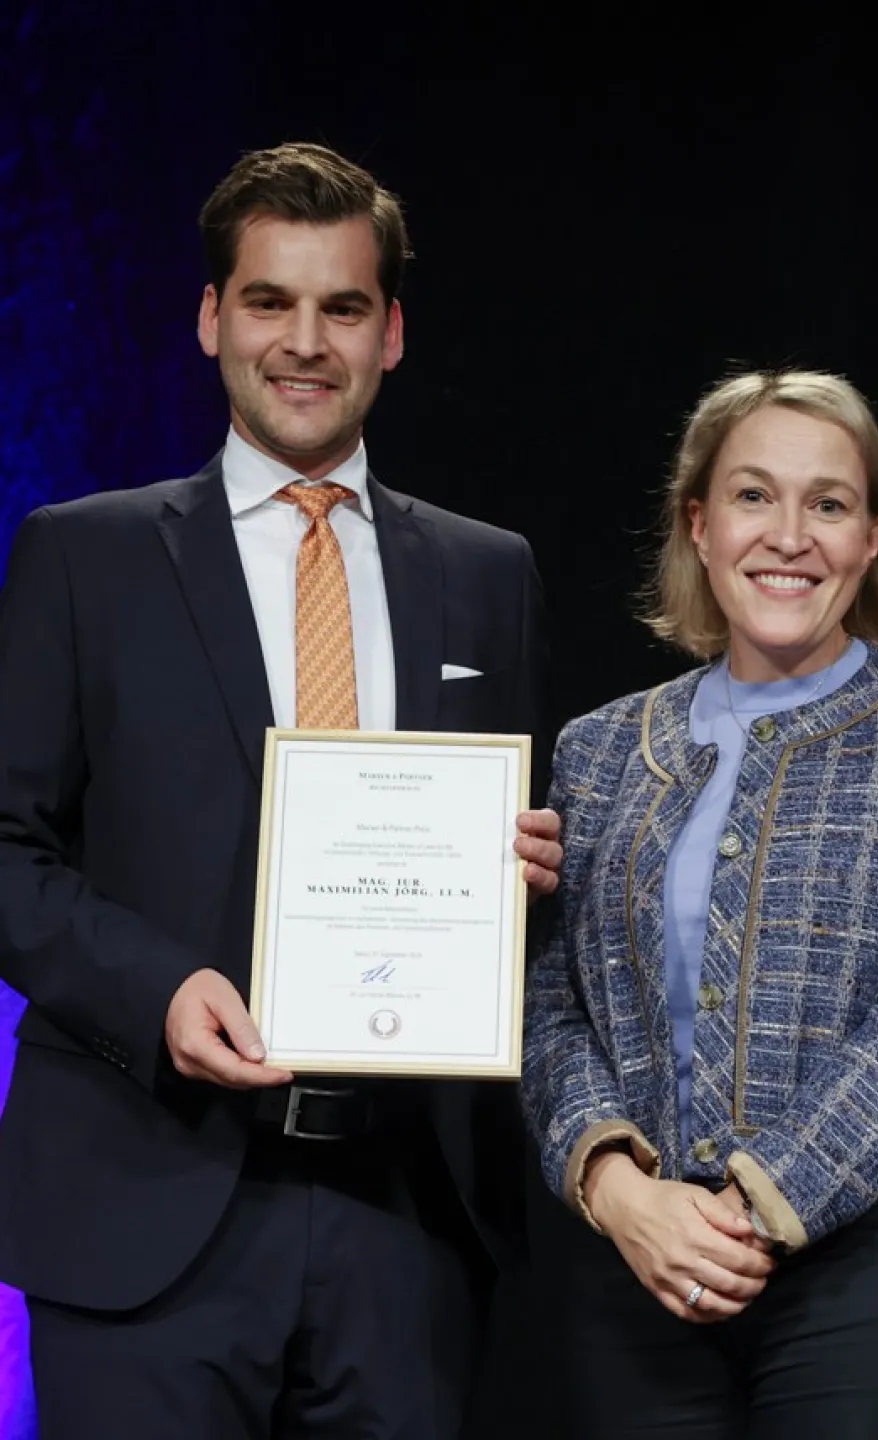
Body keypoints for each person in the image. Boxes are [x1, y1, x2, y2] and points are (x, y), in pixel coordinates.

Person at [0, 142, 562, 1438]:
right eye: (269, 302)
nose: (305, 341)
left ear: (393, 333)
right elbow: (8, 848)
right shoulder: (82, 558)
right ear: (212, 319)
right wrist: (160, 990)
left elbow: (519, 874)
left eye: (344, 307)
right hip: (147, 1198)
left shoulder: (490, 574)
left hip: (409, 1214)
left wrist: (533, 871)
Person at [522, 369, 878, 1438]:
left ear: (872, 538)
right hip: (637, 1267)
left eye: (830, 504)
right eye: (755, 497)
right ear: (699, 525)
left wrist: (754, 1207)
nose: (790, 535)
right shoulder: (600, 749)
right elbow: (550, 1005)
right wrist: (619, 1191)